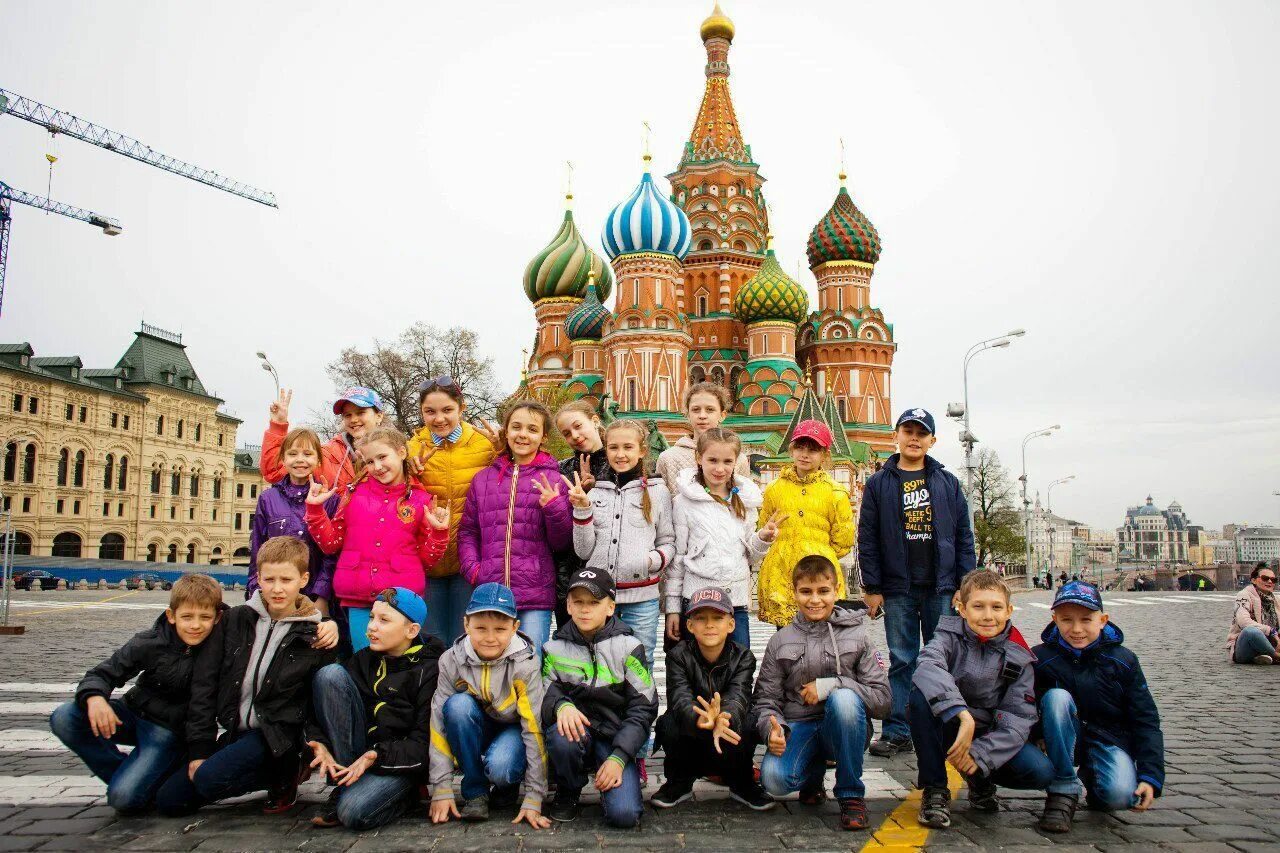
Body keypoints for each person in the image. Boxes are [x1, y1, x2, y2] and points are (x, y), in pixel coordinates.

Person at [155, 537, 339, 816]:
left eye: (286, 580)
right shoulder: (234, 620)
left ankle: (285, 774)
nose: (277, 589)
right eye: (269, 579)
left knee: (207, 779)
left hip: (276, 735)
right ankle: (266, 773)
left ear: (303, 580)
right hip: (234, 730)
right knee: (170, 801)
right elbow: (204, 684)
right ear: (258, 579)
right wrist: (200, 750)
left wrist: (315, 742)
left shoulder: (315, 634)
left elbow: (315, 700)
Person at [49, 575, 224, 814]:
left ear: (217, 618)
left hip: (167, 732)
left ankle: (142, 778)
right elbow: (104, 672)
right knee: (65, 716)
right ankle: (125, 770)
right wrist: (95, 698)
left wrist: (199, 752)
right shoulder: (150, 641)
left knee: (124, 800)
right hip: (131, 714)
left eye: (205, 617)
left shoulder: (218, 650)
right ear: (171, 616)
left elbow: (203, 709)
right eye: (187, 617)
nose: (195, 625)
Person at [860, 408, 975, 758]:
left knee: (941, 658)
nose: (914, 438)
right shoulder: (880, 482)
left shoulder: (946, 481)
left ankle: (943, 724)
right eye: (907, 430)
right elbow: (868, 537)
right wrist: (873, 587)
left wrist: (964, 584)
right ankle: (898, 729)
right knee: (902, 658)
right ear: (896, 435)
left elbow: (962, 535)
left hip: (940, 586)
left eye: (921, 433)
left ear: (932, 440)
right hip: (898, 588)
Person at [753, 555, 891, 831]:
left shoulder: (858, 636)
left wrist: (830, 686)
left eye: (823, 591)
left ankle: (851, 794)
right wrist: (773, 729)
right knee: (774, 780)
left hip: (844, 726)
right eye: (806, 592)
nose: (815, 600)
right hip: (799, 725)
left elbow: (883, 700)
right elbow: (765, 698)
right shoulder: (780, 640)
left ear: (836, 590)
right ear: (795, 593)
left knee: (844, 700)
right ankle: (813, 776)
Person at [909, 569, 1051, 829]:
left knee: (1040, 771)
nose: (988, 616)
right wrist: (961, 713)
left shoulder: (1019, 656)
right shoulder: (946, 637)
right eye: (978, 606)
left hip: (989, 732)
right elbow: (927, 666)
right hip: (951, 725)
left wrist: (980, 753)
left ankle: (979, 777)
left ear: (1008, 611)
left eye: (996, 607)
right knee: (920, 696)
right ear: (962, 609)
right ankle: (935, 789)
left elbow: (1018, 719)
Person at [307, 587, 445, 830]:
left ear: (411, 630)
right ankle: (344, 785)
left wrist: (377, 756)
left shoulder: (430, 671)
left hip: (397, 764)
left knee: (353, 813)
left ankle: (407, 795)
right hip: (358, 756)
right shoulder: (363, 660)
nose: (372, 627)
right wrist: (319, 742)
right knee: (330, 675)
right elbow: (327, 711)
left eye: (384, 620)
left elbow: (424, 745)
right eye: (372, 617)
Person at [1032, 580, 1164, 833]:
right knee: (1056, 698)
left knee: (1120, 797)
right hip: (1063, 738)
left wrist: (1150, 775)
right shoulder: (1041, 657)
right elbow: (1026, 704)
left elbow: (1145, 719)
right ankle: (1063, 787)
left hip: (1108, 738)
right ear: (1055, 619)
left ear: (1102, 620)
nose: (1076, 629)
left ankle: (1095, 779)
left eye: (1086, 620)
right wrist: (1037, 734)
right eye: (1067, 620)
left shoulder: (1123, 660)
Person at [306, 426, 451, 651]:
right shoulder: (354, 494)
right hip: (360, 599)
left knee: (399, 669)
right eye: (370, 461)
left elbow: (427, 560)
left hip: (401, 603)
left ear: (402, 452)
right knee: (365, 664)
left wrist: (439, 534)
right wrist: (316, 512)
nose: (377, 467)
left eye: (383, 457)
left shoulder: (420, 500)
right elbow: (330, 543)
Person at [427, 583, 550, 829]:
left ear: (515, 627)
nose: (490, 637)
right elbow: (438, 722)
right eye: (480, 628)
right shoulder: (451, 660)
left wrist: (535, 796)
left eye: (501, 629)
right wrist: (440, 787)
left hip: (513, 729)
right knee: (457, 706)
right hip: (477, 725)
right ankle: (475, 791)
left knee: (502, 767)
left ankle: (508, 783)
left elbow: (534, 728)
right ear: (466, 625)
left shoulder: (525, 665)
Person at [541, 569, 658, 826]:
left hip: (614, 736)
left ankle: (612, 777)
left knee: (625, 815)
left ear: (610, 607)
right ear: (568, 606)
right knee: (562, 737)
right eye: (578, 602)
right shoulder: (553, 648)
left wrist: (619, 756)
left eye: (594, 602)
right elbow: (544, 692)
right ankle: (568, 788)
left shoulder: (629, 647)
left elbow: (644, 708)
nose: (585, 609)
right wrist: (560, 705)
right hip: (577, 733)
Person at [458, 401, 572, 653]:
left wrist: (553, 508)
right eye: (516, 427)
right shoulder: (483, 480)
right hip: (490, 589)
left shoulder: (553, 479)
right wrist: (475, 571)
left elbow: (561, 542)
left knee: (530, 661)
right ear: (506, 431)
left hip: (535, 591)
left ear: (543, 437)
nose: (523, 434)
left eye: (532, 429)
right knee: (490, 660)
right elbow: (468, 532)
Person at [564, 419, 674, 666]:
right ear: (606, 448)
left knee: (638, 663)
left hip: (641, 599)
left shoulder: (658, 491)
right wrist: (582, 510)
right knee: (600, 664)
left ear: (642, 451)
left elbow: (668, 541)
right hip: (599, 599)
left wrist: (649, 561)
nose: (620, 454)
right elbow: (583, 550)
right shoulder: (596, 492)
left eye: (628, 447)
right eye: (613, 448)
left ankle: (639, 706)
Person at [652, 586, 772, 811]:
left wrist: (723, 716)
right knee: (668, 723)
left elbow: (739, 696)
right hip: (694, 728)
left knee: (748, 721)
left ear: (731, 624)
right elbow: (679, 698)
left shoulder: (744, 657)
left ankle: (742, 782)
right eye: (701, 618)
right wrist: (700, 717)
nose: (709, 625)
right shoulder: (677, 656)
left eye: (718, 618)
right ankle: (679, 782)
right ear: (690, 625)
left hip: (726, 728)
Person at [406, 376, 499, 645]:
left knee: (464, 639)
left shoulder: (484, 445)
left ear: (462, 408)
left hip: (467, 561)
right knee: (429, 641)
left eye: (447, 410)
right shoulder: (412, 449)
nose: (439, 419)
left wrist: (503, 450)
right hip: (427, 563)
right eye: (430, 411)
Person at [667, 428, 778, 649]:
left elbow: (750, 556)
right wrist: (672, 608)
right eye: (712, 460)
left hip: (734, 601)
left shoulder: (745, 501)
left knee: (739, 666)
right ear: (699, 458)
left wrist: (763, 538)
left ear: (736, 462)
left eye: (727, 461)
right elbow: (678, 558)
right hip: (697, 600)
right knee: (695, 670)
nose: (720, 468)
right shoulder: (684, 501)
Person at [248, 427, 337, 615]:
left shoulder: (328, 499)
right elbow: (257, 549)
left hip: (312, 596)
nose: (300, 460)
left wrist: (321, 595)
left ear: (318, 459)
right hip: (275, 594)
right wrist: (254, 591)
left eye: (308, 454)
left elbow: (332, 554)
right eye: (293, 453)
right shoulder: (268, 498)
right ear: (283, 459)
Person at [552, 401, 611, 630]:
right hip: (571, 577)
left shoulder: (619, 462)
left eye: (578, 426)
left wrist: (596, 489)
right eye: (567, 433)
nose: (574, 436)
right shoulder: (563, 469)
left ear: (595, 421)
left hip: (609, 575)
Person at [261, 387, 385, 492]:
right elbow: (274, 472)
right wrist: (278, 424)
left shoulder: (395, 452)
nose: (353, 420)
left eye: (360, 413)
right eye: (348, 415)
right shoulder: (326, 454)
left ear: (379, 416)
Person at [655, 382, 751, 487]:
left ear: (722, 415)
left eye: (710, 410)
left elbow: (744, 498)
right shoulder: (668, 458)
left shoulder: (738, 459)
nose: (702, 415)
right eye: (696, 410)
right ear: (687, 415)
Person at [1228, 564, 1280, 664]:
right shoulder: (1244, 595)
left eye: (1273, 580)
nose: (1270, 581)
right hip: (1246, 647)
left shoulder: (1276, 600)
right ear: (1254, 580)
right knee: (1251, 632)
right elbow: (1243, 622)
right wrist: (1271, 631)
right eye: (1265, 578)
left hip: (1272, 643)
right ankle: (1275, 656)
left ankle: (1264, 657)